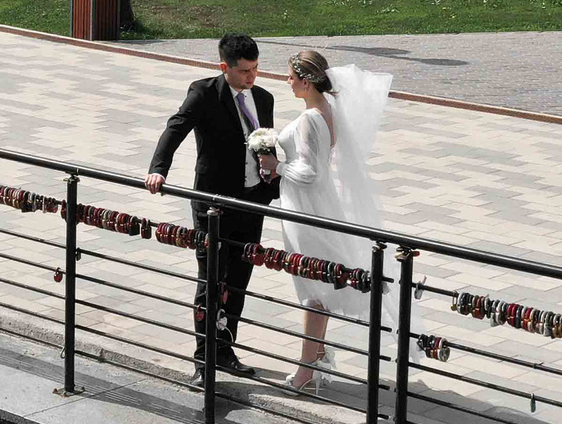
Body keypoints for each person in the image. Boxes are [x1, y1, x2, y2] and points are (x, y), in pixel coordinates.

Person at [146, 34, 277, 381]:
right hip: (214, 205)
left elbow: (267, 144)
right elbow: (176, 128)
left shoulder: (264, 98)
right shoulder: (204, 93)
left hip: (252, 202)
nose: (252, 77)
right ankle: (204, 360)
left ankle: (225, 348)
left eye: (256, 68)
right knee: (211, 281)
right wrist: (158, 170)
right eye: (245, 71)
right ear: (225, 68)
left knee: (238, 280)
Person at [270, 50, 393, 391]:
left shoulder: (311, 117)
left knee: (311, 286)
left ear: (306, 81)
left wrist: (275, 166)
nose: (288, 81)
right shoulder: (326, 111)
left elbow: (310, 172)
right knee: (316, 283)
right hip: (317, 204)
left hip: (305, 208)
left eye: (291, 76)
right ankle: (317, 355)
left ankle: (306, 369)